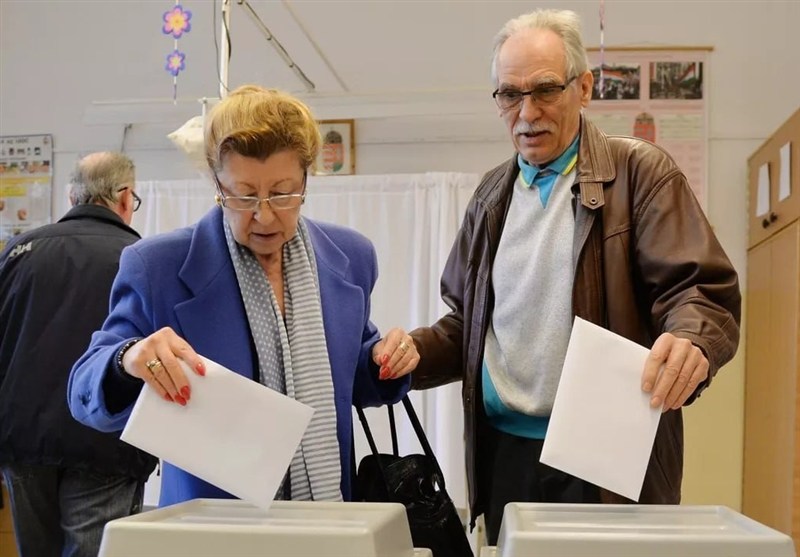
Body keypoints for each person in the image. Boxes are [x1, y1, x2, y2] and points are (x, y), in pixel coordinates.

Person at [400, 9, 741, 544]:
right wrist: (412, 353)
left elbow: (698, 292)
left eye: (545, 90)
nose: (526, 112)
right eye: (509, 95)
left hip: (604, 455)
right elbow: (465, 324)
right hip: (505, 451)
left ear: (584, 88)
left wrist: (693, 338)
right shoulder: (491, 197)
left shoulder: (641, 173)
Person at [68, 85, 417, 507]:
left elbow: (353, 377)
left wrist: (387, 359)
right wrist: (128, 360)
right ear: (217, 182)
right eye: (244, 195)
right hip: (211, 529)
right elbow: (82, 391)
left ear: (307, 178)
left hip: (328, 522)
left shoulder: (350, 257)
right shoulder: (157, 266)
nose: (264, 214)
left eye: (283, 193)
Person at [0, 152, 154, 557]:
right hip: (106, 443)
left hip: (22, 441)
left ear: (72, 198)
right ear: (124, 198)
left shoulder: (20, 251)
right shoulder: (140, 259)